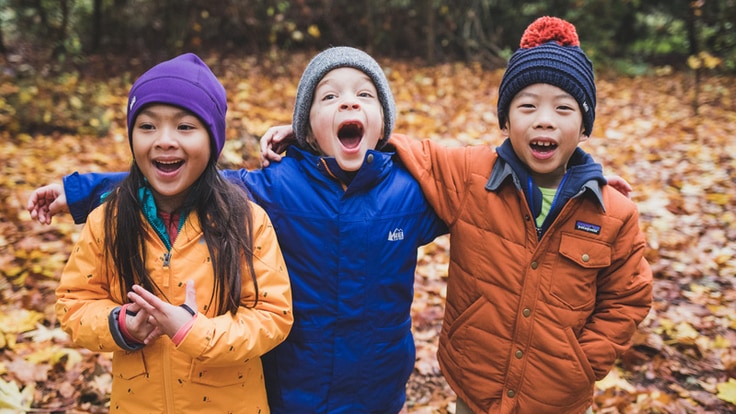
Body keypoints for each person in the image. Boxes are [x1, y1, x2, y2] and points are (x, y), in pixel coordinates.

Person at [259, 17, 652, 414]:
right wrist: (312, 136)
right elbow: (417, 152)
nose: (544, 119)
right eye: (527, 106)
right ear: (505, 120)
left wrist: (582, 362)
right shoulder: (471, 177)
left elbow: (629, 297)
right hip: (477, 385)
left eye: (564, 108)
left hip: (559, 397)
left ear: (585, 126)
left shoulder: (612, 212)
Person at [28, 47, 448, 413]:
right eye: (330, 97)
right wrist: (79, 192)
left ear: (384, 121)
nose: (349, 104)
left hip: (376, 389)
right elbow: (182, 178)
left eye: (365, 96)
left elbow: (472, 192)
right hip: (293, 388)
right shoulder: (275, 187)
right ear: (306, 125)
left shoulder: (410, 194)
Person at [51, 53, 293, 413]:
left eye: (185, 127)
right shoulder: (110, 219)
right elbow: (74, 301)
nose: (164, 140)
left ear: (213, 141)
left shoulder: (246, 220)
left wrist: (194, 332)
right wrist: (121, 326)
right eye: (147, 126)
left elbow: (273, 315)